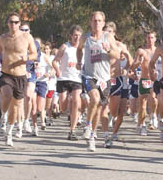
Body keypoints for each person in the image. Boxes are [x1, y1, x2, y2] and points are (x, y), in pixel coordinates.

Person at [77, 11, 120, 152]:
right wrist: (78, 61)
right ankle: (88, 126)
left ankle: (91, 138)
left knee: (99, 110)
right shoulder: (85, 38)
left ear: (103, 22)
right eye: (94, 20)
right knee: (94, 100)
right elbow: (79, 49)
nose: (97, 23)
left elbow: (117, 55)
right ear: (90, 22)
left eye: (100, 21)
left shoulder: (108, 37)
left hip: (104, 79)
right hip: (90, 76)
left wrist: (109, 51)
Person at [0, 12, 37, 147]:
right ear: (7, 24)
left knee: (17, 106)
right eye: (11, 22)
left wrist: (27, 58)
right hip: (6, 74)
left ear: (19, 23)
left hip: (20, 76)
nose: (14, 25)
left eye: (16, 22)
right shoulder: (2, 38)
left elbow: (35, 54)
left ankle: (10, 132)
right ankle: (3, 115)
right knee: (6, 95)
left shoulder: (27, 37)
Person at [52, 25, 83, 140]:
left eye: (79, 36)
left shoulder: (83, 49)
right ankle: (64, 103)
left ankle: (72, 130)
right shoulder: (65, 47)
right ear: (71, 36)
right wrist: (58, 70)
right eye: (75, 35)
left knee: (76, 101)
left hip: (77, 79)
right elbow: (55, 61)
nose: (77, 38)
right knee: (64, 108)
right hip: (63, 79)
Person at [104, 22, 133, 145]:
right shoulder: (100, 44)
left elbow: (131, 60)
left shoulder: (120, 45)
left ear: (114, 33)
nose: (107, 34)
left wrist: (126, 68)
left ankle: (114, 132)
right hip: (105, 78)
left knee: (120, 111)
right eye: (105, 31)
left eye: (110, 31)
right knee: (102, 104)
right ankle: (103, 131)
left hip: (121, 80)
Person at [130, 30, 158, 136]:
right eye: (148, 38)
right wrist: (136, 65)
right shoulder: (141, 51)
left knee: (154, 99)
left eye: (152, 38)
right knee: (142, 104)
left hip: (154, 80)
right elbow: (134, 64)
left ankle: (153, 115)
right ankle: (142, 125)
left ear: (155, 39)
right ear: (145, 39)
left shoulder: (158, 51)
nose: (150, 40)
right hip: (144, 80)